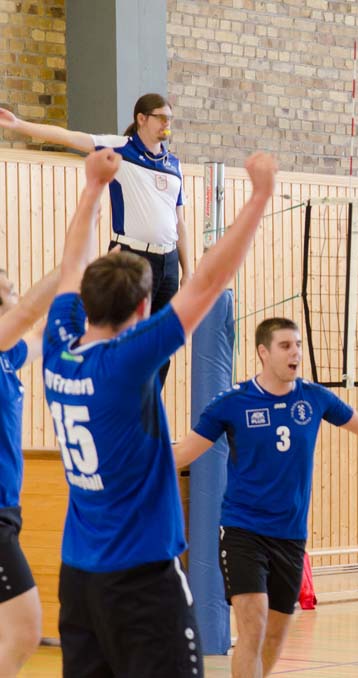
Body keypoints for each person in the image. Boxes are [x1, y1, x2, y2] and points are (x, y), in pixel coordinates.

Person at [42, 147, 278, 677]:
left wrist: (93, 187)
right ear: (143, 308)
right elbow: (207, 283)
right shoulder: (127, 362)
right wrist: (260, 196)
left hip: (79, 579)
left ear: (84, 303)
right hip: (143, 577)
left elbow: (71, 266)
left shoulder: (57, 350)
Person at [173, 316, 358, 678]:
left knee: (275, 635)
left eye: (298, 345)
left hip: (290, 535)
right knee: (253, 625)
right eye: (286, 346)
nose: (296, 353)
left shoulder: (314, 398)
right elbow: (183, 453)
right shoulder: (233, 403)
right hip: (243, 530)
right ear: (263, 352)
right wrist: (129, 467)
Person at [0, 93, 193, 385]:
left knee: (161, 344)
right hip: (133, 256)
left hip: (168, 262)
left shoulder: (173, 163)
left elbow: (180, 221)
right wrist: (19, 125)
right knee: (125, 335)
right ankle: (112, 394)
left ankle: (148, 402)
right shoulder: (121, 148)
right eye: (161, 117)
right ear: (142, 119)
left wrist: (187, 270)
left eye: (170, 118)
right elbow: (69, 137)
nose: (167, 124)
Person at [0, 267, 59, 674]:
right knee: (24, 632)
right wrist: (72, 263)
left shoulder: (7, 357)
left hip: (8, 510)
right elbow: (29, 315)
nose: (17, 295)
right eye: (8, 290)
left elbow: (40, 334)